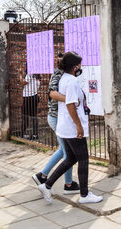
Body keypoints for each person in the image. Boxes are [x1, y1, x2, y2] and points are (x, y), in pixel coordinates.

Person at [37, 52, 102, 204]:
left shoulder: (64, 79)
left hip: (65, 126)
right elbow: (70, 105)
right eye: (79, 64)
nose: (81, 67)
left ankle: (46, 185)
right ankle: (85, 195)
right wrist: (79, 126)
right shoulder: (71, 81)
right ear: (75, 66)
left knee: (71, 158)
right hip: (72, 128)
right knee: (83, 159)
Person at [32, 53, 80, 195]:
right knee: (68, 154)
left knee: (63, 150)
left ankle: (43, 175)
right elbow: (52, 94)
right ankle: (68, 184)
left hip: (61, 118)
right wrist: (70, 99)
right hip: (57, 118)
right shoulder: (58, 74)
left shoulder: (69, 75)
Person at [20, 71, 40, 139]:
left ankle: (22, 134)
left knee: (25, 116)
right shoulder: (37, 76)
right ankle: (35, 134)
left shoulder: (29, 75)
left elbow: (23, 83)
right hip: (34, 97)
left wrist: (20, 75)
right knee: (34, 116)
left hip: (28, 98)